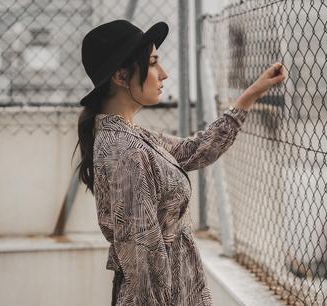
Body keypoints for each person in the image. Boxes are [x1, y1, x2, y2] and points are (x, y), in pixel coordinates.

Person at [74, 19, 286, 306]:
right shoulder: (125, 151)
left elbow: (195, 150)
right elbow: (144, 262)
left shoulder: (133, 137)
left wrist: (250, 95)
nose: (163, 74)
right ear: (121, 76)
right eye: (152, 63)